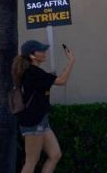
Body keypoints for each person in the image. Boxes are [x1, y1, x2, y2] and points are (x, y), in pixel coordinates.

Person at [12, 39, 75, 173]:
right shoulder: (33, 72)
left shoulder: (34, 72)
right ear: (32, 55)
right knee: (31, 161)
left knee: (55, 155)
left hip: (40, 120)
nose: (45, 52)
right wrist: (71, 61)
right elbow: (62, 81)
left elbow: (49, 81)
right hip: (33, 122)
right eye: (41, 50)